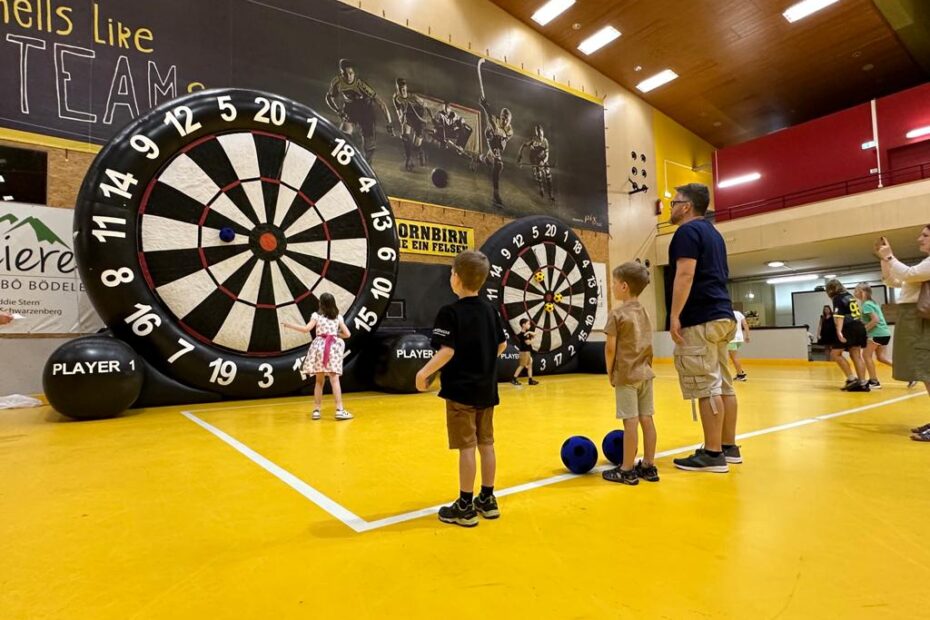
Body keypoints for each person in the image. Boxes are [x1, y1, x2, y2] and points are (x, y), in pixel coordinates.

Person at [415, 250, 509, 526]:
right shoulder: (491, 311)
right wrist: (483, 361)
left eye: (451, 273)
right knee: (486, 444)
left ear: (456, 278)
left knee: (467, 447)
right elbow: (502, 344)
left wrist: (423, 373)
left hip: (460, 393)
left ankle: (465, 506)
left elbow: (447, 351)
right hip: (486, 391)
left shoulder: (450, 313)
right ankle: (487, 499)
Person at [666, 183, 739, 473]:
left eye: (674, 202)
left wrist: (674, 315)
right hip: (723, 315)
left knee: (707, 386)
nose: (671, 207)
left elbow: (685, 274)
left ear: (686, 206)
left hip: (702, 318)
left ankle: (712, 454)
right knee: (724, 383)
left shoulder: (687, 232)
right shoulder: (714, 234)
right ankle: (728, 446)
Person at [601, 262, 659, 486]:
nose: (612, 287)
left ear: (624, 286)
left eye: (614, 283)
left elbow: (610, 348)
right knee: (647, 418)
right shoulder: (644, 312)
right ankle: (649, 465)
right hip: (645, 373)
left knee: (630, 422)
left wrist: (610, 372)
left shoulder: (616, 314)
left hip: (626, 375)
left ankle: (626, 469)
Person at [875, 230, 930, 440]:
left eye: (925, 235)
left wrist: (889, 256)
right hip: (914, 317)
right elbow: (894, 281)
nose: (919, 238)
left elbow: (908, 274)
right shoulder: (924, 264)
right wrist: (884, 259)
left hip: (920, 319)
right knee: (924, 370)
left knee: (927, 369)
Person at [282, 293, 353, 421]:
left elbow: (305, 329)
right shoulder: (338, 318)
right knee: (335, 380)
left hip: (319, 348)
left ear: (321, 304)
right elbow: (347, 334)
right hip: (333, 348)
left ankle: (316, 410)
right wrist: (335, 334)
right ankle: (339, 410)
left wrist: (289, 325)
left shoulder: (316, 316)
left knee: (319, 381)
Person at [325, 59, 394, 161]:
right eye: (345, 74)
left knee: (369, 146)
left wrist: (389, 122)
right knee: (342, 136)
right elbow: (329, 98)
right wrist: (338, 111)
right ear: (341, 73)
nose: (349, 77)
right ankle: (340, 161)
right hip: (350, 109)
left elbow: (380, 103)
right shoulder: (337, 82)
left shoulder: (361, 85)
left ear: (354, 73)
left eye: (351, 73)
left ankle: (367, 163)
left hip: (366, 112)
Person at [824, 279, 870, 392]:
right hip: (858, 326)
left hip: (848, 327)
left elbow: (839, 316)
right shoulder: (849, 296)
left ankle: (851, 379)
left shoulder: (837, 298)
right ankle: (863, 383)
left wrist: (839, 331)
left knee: (835, 354)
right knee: (856, 355)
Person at [854, 282, 892, 390]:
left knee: (866, 355)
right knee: (881, 358)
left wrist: (863, 330)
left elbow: (875, 320)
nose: (854, 293)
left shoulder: (866, 304)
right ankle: (908, 375)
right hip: (885, 333)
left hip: (877, 334)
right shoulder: (872, 303)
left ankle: (874, 381)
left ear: (862, 292)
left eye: (856, 291)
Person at [478, 95, 513, 208]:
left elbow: (499, 132)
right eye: (503, 118)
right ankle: (495, 195)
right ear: (500, 116)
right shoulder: (496, 119)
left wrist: (486, 108)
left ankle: (481, 158)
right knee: (498, 165)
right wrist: (485, 108)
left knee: (489, 160)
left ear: (510, 120)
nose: (504, 121)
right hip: (491, 141)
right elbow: (491, 121)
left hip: (498, 145)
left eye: (507, 119)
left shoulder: (510, 130)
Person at [393, 78, 430, 171]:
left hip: (419, 120)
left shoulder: (414, 97)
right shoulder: (396, 98)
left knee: (416, 145)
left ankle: (420, 152)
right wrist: (401, 117)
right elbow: (398, 110)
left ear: (406, 88)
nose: (402, 91)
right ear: (397, 88)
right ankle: (408, 159)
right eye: (400, 89)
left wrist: (422, 105)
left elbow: (426, 106)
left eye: (404, 89)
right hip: (409, 118)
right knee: (405, 136)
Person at [517, 124, 554, 201]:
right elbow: (523, 145)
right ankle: (541, 189)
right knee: (539, 174)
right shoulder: (533, 140)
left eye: (540, 132)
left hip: (543, 159)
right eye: (538, 132)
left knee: (548, 174)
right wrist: (519, 157)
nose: (540, 135)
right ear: (536, 133)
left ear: (543, 132)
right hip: (536, 160)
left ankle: (550, 194)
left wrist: (543, 162)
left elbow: (547, 154)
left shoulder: (545, 141)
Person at [511, 318, 539, 386]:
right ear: (523, 325)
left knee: (529, 366)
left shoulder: (526, 333)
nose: (529, 325)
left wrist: (529, 332)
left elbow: (535, 334)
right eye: (528, 324)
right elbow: (528, 343)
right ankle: (514, 379)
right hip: (524, 352)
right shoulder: (523, 334)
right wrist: (534, 340)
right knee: (522, 365)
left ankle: (530, 380)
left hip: (527, 352)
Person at [728, 309, 750, 381]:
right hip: (739, 338)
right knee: (734, 357)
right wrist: (747, 336)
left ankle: (741, 374)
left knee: (734, 358)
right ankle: (739, 372)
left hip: (732, 339)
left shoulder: (727, 314)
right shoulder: (739, 313)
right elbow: (745, 324)